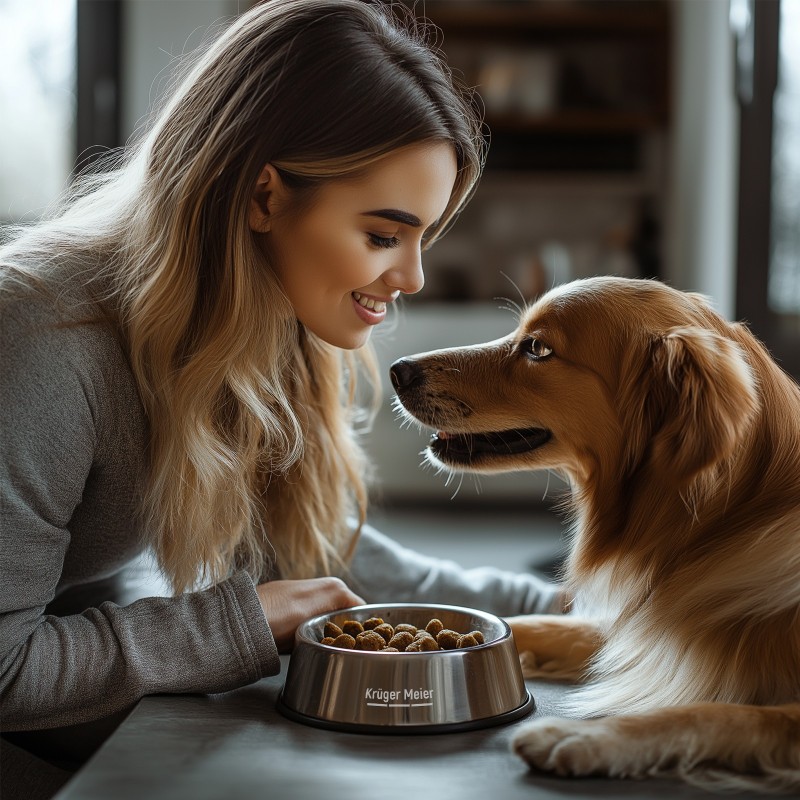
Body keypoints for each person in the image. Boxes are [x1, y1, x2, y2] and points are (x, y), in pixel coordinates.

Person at [0, 1, 563, 797]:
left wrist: (574, 610)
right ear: (264, 196)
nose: (413, 279)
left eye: (421, 240)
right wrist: (237, 624)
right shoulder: (39, 342)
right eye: (381, 235)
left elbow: (318, 553)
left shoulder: (258, 329)